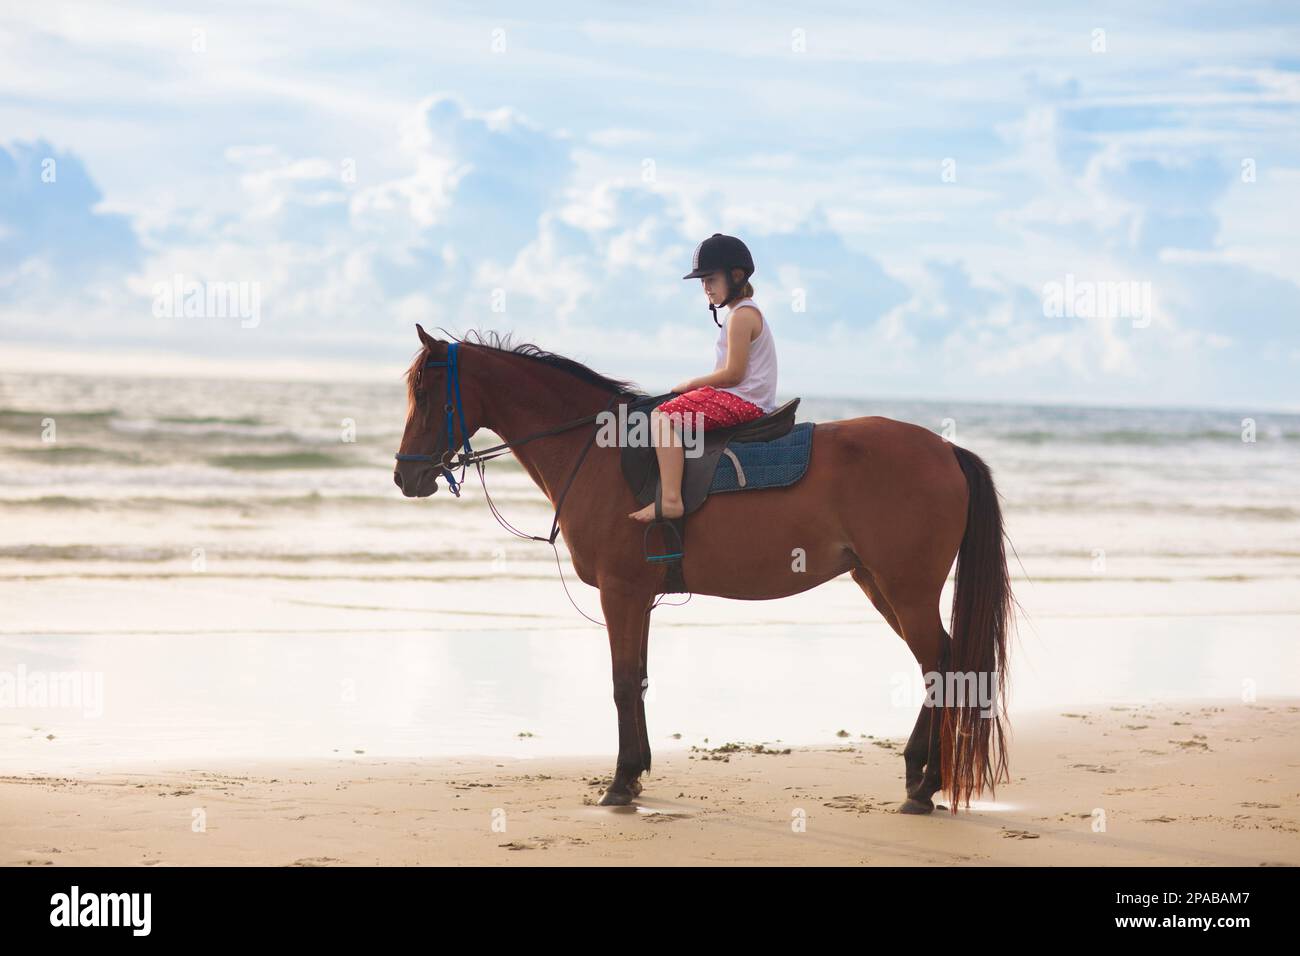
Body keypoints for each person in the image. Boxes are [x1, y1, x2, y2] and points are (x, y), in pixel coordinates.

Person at [629, 233, 778, 523]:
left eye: (710, 279)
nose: (705, 288)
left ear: (735, 276)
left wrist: (691, 384)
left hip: (745, 399)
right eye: (702, 282)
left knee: (662, 417)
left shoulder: (741, 316)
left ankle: (671, 499)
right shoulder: (740, 312)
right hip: (745, 395)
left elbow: (734, 374)